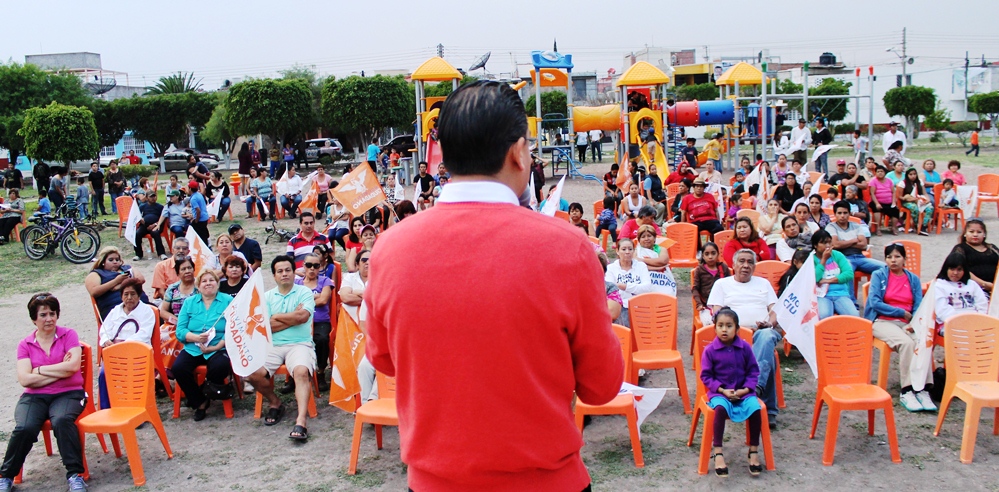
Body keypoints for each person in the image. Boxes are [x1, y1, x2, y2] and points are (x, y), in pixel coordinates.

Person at [365, 81, 622, 490]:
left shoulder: (389, 248)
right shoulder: (569, 248)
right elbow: (601, 385)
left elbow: (383, 359)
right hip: (547, 481)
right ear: (518, 152)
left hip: (434, 481)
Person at [0, 293, 89, 492]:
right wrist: (61, 371)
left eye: (52, 313)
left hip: (69, 393)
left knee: (62, 420)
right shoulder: (25, 344)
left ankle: (75, 476)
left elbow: (73, 367)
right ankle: (6, 477)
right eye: (43, 315)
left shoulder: (69, 335)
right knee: (24, 427)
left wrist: (38, 370)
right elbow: (25, 379)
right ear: (34, 319)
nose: (49, 318)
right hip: (34, 395)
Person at [706, 249, 782, 427]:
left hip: (760, 332)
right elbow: (717, 314)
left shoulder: (763, 284)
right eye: (741, 261)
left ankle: (756, 388)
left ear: (755, 266)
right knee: (768, 356)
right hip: (734, 336)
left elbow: (775, 311)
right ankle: (767, 407)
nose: (746, 265)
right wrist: (737, 329)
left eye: (750, 262)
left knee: (766, 337)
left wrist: (769, 323)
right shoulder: (722, 284)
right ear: (733, 264)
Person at [246, 255, 316, 441]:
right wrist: (292, 317)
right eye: (280, 271)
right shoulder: (267, 297)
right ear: (274, 276)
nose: (284, 274)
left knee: (301, 372)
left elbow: (302, 318)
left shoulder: (305, 292)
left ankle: (301, 421)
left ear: (294, 273)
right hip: (273, 345)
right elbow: (266, 327)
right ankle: (275, 402)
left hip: (300, 343)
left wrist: (276, 317)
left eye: (287, 270)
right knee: (252, 373)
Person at [863, 243, 934, 412]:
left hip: (907, 322)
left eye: (897, 256)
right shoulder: (879, 275)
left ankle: (923, 388)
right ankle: (907, 390)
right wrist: (901, 312)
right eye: (889, 257)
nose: (893, 260)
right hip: (882, 321)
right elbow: (874, 302)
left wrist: (914, 322)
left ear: (904, 259)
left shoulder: (913, 279)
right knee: (907, 344)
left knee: (923, 342)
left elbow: (918, 304)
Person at [701, 307, 764, 477]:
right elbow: (706, 376)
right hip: (719, 393)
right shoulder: (710, 351)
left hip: (744, 392)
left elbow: (753, 372)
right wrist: (722, 390)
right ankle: (718, 452)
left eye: (729, 326)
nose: (724, 329)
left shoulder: (745, 348)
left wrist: (745, 390)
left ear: (737, 328)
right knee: (720, 409)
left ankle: (753, 450)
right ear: (715, 328)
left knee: (755, 409)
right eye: (720, 325)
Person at [172, 270, 232, 421]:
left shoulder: (228, 301)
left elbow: (234, 328)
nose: (208, 283)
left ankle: (204, 389)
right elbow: (180, 330)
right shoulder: (189, 302)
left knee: (220, 366)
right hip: (193, 347)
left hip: (218, 346)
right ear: (198, 286)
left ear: (217, 284)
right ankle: (200, 401)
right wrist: (195, 337)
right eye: (204, 281)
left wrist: (217, 346)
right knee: (178, 368)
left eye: (212, 280)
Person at [97, 278, 155, 409]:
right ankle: (107, 409)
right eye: (126, 294)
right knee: (104, 373)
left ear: (139, 295)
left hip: (137, 352)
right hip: (115, 352)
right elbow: (104, 330)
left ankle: (135, 408)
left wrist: (124, 345)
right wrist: (107, 340)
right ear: (121, 296)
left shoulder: (147, 311)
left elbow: (145, 334)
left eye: (133, 294)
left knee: (131, 374)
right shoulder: (115, 311)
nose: (129, 298)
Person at [296, 253, 334, 391]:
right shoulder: (296, 283)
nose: (312, 268)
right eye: (309, 265)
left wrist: (304, 302)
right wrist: (314, 297)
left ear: (320, 267)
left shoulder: (325, 281)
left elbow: (323, 300)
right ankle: (293, 375)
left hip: (320, 321)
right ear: (303, 266)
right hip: (300, 321)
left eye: (316, 266)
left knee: (322, 339)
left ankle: (321, 372)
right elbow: (293, 303)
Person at [826, 200, 884, 281]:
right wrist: (854, 240)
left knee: (885, 268)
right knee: (848, 273)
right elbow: (835, 245)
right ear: (835, 214)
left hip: (860, 258)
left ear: (849, 213)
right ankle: (849, 291)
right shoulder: (831, 227)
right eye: (839, 213)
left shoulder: (856, 226)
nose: (842, 216)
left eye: (845, 213)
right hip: (844, 258)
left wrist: (843, 243)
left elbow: (864, 245)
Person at [86, 247, 148, 320]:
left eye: (117, 259)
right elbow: (94, 291)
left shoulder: (127, 268)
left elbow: (141, 279)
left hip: (141, 303)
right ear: (103, 261)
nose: (115, 262)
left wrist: (120, 286)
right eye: (111, 260)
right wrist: (116, 281)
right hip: (114, 308)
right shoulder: (97, 273)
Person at [934, 252, 988, 335]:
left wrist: (978, 320)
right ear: (946, 269)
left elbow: (982, 304)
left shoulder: (972, 284)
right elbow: (942, 309)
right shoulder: (939, 285)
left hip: (974, 320)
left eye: (959, 270)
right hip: (950, 323)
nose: (955, 273)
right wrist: (961, 322)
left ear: (964, 271)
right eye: (952, 269)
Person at [810, 230, 858, 319]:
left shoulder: (837, 255)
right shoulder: (811, 259)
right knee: (824, 316)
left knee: (854, 316)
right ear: (815, 245)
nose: (828, 246)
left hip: (841, 293)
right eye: (824, 243)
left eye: (829, 242)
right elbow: (815, 278)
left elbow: (849, 274)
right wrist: (824, 260)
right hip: (822, 295)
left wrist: (827, 280)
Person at [949, 219, 999, 298]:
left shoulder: (992, 248)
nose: (975, 235)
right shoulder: (960, 249)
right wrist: (984, 284)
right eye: (971, 232)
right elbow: (960, 270)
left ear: (984, 234)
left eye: (979, 232)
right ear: (965, 234)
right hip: (973, 288)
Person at [605, 237, 652, 320]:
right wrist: (636, 289)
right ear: (617, 251)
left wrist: (623, 286)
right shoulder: (610, 268)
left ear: (634, 251)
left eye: (630, 249)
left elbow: (647, 288)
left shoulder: (641, 266)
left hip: (640, 305)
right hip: (620, 306)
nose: (627, 252)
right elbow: (611, 292)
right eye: (624, 249)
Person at [692, 242, 730, 327]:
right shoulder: (699, 270)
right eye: (707, 254)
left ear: (718, 254)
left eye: (713, 253)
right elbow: (695, 289)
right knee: (709, 324)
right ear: (703, 256)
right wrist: (699, 304)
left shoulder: (723, 267)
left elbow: (730, 285)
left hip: (723, 305)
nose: (710, 257)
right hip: (706, 307)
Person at [159, 256, 198, 326]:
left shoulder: (201, 286)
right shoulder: (172, 288)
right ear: (178, 273)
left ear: (193, 269)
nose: (187, 271)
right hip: (177, 324)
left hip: (198, 324)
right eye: (183, 269)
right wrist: (179, 322)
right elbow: (163, 312)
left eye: (189, 268)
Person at [132, 191, 168, 261]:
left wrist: (155, 224)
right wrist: (140, 220)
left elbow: (163, 218)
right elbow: (137, 216)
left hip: (156, 225)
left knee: (156, 233)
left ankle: (161, 253)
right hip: (144, 225)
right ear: (147, 198)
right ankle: (138, 254)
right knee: (137, 234)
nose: (153, 198)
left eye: (154, 196)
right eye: (151, 197)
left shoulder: (160, 207)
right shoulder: (142, 206)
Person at [869, 165, 901, 235]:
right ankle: (878, 228)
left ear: (885, 172)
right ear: (875, 173)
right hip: (877, 201)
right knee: (876, 209)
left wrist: (893, 202)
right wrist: (877, 203)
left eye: (881, 171)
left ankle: (893, 228)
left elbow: (893, 192)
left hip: (889, 202)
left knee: (895, 210)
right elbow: (872, 193)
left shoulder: (889, 180)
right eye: (878, 172)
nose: (880, 173)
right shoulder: (873, 181)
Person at [900, 167, 933, 235]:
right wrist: (908, 198)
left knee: (930, 208)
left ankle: (923, 226)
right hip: (907, 201)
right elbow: (899, 196)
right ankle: (916, 224)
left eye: (914, 174)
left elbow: (924, 193)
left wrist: (927, 200)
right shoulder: (903, 183)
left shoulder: (919, 182)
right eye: (910, 174)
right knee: (914, 208)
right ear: (907, 175)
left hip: (919, 200)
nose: (913, 176)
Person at [187, 180, 210, 245]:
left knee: (200, 235)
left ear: (190, 189)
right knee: (204, 232)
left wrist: (196, 220)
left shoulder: (193, 199)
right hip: (205, 217)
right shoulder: (199, 194)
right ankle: (207, 242)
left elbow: (198, 210)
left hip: (200, 219)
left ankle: (204, 245)